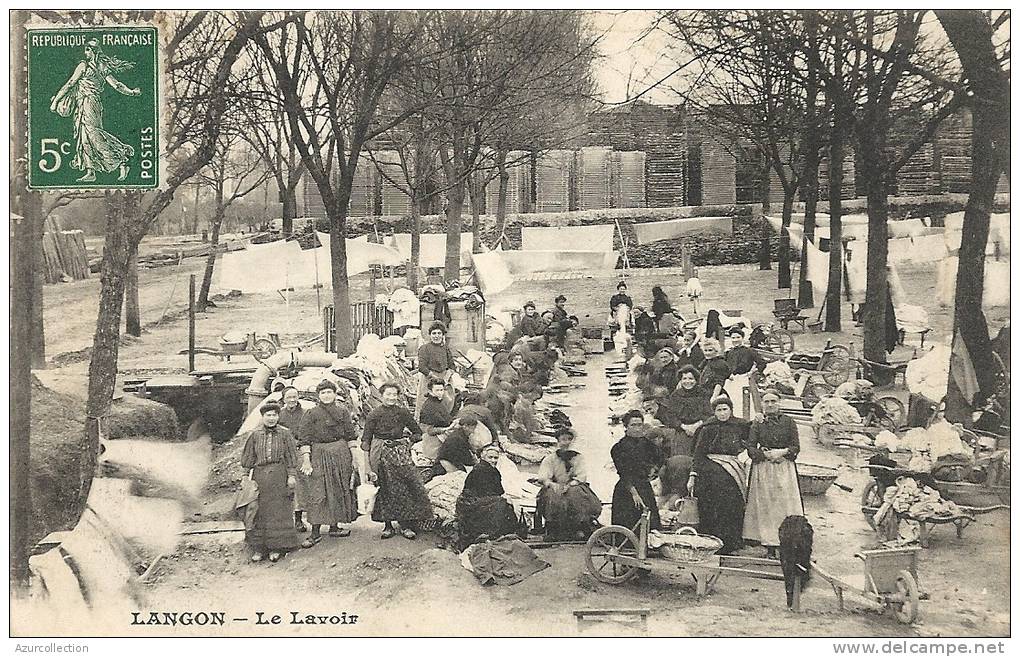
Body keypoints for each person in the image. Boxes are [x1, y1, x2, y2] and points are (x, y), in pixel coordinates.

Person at [49, 39, 140, 183]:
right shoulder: (96, 66)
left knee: (93, 134)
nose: (85, 53)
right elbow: (116, 85)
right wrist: (132, 92)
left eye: (87, 50)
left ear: (94, 51)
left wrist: (55, 102)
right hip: (84, 103)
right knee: (84, 136)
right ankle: (90, 171)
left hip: (89, 103)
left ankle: (122, 159)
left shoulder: (86, 66)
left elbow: (71, 84)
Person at [362, 383, 434, 540]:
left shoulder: (402, 412)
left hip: (400, 453)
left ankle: (405, 525)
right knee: (384, 487)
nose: (391, 397)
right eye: (388, 394)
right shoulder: (374, 414)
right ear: (382, 395)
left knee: (406, 486)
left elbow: (417, 433)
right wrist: (368, 466)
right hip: (380, 451)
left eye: (394, 394)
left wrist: (406, 441)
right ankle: (387, 526)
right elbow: (366, 440)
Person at [297, 381, 359, 546]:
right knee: (319, 492)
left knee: (338, 489)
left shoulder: (343, 412)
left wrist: (354, 458)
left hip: (340, 453)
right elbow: (304, 438)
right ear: (318, 395)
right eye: (323, 392)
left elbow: (350, 435)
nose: (326, 395)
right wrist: (306, 460)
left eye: (329, 392)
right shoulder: (311, 413)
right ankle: (315, 532)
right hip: (319, 454)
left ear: (335, 394)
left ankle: (334, 527)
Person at [743, 389, 804, 558]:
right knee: (766, 505)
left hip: (784, 468)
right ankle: (769, 543)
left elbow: (795, 447)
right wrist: (764, 454)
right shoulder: (758, 423)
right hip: (764, 469)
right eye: (766, 402)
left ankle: (787, 541)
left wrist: (782, 452)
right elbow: (750, 447)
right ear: (762, 404)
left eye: (773, 401)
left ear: (779, 403)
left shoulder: (789, 422)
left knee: (784, 504)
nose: (770, 405)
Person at [688, 396, 750, 555]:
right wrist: (693, 475)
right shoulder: (707, 427)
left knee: (732, 507)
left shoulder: (741, 425)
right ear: (714, 412)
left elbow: (751, 440)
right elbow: (698, 453)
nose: (722, 413)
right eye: (718, 410)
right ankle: (710, 542)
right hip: (710, 472)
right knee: (710, 507)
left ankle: (731, 544)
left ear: (731, 410)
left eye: (725, 409)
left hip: (732, 471)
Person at [241, 403, 302, 562]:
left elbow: (291, 457)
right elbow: (248, 458)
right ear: (263, 417)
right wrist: (245, 477)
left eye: (274, 415)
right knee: (258, 512)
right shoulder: (255, 435)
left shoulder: (285, 434)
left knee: (278, 511)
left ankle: (276, 548)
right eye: (268, 415)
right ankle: (259, 548)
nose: (271, 418)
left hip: (279, 476)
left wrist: (291, 476)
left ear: (278, 416)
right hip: (260, 477)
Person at [535, 429, 602, 540]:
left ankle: (580, 526)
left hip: (573, 485)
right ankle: (553, 529)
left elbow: (581, 476)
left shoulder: (578, 458)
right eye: (563, 439)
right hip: (555, 486)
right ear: (558, 441)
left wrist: (571, 485)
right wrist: (552, 485)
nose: (566, 442)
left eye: (569, 439)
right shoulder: (550, 459)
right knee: (552, 495)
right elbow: (543, 477)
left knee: (576, 494)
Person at [455, 444, 520, 549]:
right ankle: (491, 532)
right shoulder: (480, 470)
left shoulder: (493, 471)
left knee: (504, 504)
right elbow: (484, 492)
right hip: (471, 502)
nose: (493, 460)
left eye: (495, 458)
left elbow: (499, 490)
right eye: (490, 457)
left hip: (483, 500)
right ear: (483, 457)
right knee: (501, 503)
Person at [610, 410, 663, 531]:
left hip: (644, 486)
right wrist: (634, 493)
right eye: (633, 425)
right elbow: (623, 473)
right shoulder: (618, 448)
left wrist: (653, 471)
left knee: (650, 525)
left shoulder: (647, 444)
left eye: (640, 425)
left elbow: (660, 457)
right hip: (626, 489)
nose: (637, 428)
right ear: (626, 427)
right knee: (627, 527)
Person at [654, 365, 713, 458]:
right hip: (682, 432)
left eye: (691, 378)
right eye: (684, 379)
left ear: (696, 380)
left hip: (700, 431)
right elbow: (671, 415)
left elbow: (708, 413)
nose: (688, 381)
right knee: (682, 459)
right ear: (680, 381)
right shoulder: (675, 395)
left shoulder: (703, 393)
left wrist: (697, 426)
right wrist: (684, 427)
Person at [277, 387, 310, 533]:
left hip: (299, 452)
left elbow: (308, 434)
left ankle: (298, 519)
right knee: (282, 485)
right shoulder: (279, 415)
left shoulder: (305, 414)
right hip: (281, 454)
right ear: (283, 398)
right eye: (289, 397)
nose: (292, 400)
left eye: (294, 396)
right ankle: (283, 520)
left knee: (299, 486)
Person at [415, 322, 456, 417]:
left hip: (445, 377)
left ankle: (443, 421)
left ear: (442, 335)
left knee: (447, 400)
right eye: (434, 333)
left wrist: (446, 377)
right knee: (426, 401)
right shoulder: (424, 348)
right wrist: (435, 379)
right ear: (430, 335)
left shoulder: (445, 348)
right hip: (429, 378)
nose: (436, 336)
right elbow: (422, 367)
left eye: (439, 333)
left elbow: (452, 365)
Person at [418, 378, 455, 460]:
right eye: (437, 390)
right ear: (431, 391)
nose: (440, 393)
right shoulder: (429, 406)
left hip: (439, 436)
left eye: (441, 390)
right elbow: (429, 430)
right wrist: (447, 428)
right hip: (433, 442)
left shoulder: (438, 402)